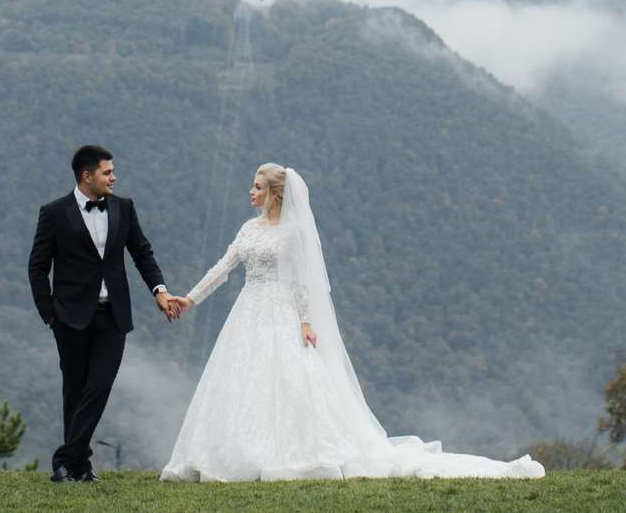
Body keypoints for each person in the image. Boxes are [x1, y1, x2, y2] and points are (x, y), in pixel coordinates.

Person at [160, 163, 544, 482]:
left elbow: (300, 284)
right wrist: (189, 299)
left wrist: (306, 322)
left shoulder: (292, 233)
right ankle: (232, 453)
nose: (251, 192)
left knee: (288, 381)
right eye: (252, 186)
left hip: (281, 311)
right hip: (248, 310)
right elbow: (224, 267)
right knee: (244, 380)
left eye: (257, 187)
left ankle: (291, 453)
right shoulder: (248, 228)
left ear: (275, 194)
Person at [27, 143, 179, 482]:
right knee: (75, 389)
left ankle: (64, 459)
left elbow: (142, 252)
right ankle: (79, 467)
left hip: (113, 316)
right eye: (107, 172)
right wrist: (49, 314)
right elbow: (37, 267)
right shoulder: (53, 212)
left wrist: (160, 290)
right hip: (69, 318)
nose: (114, 177)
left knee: (99, 385)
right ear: (86, 176)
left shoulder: (124, 208)